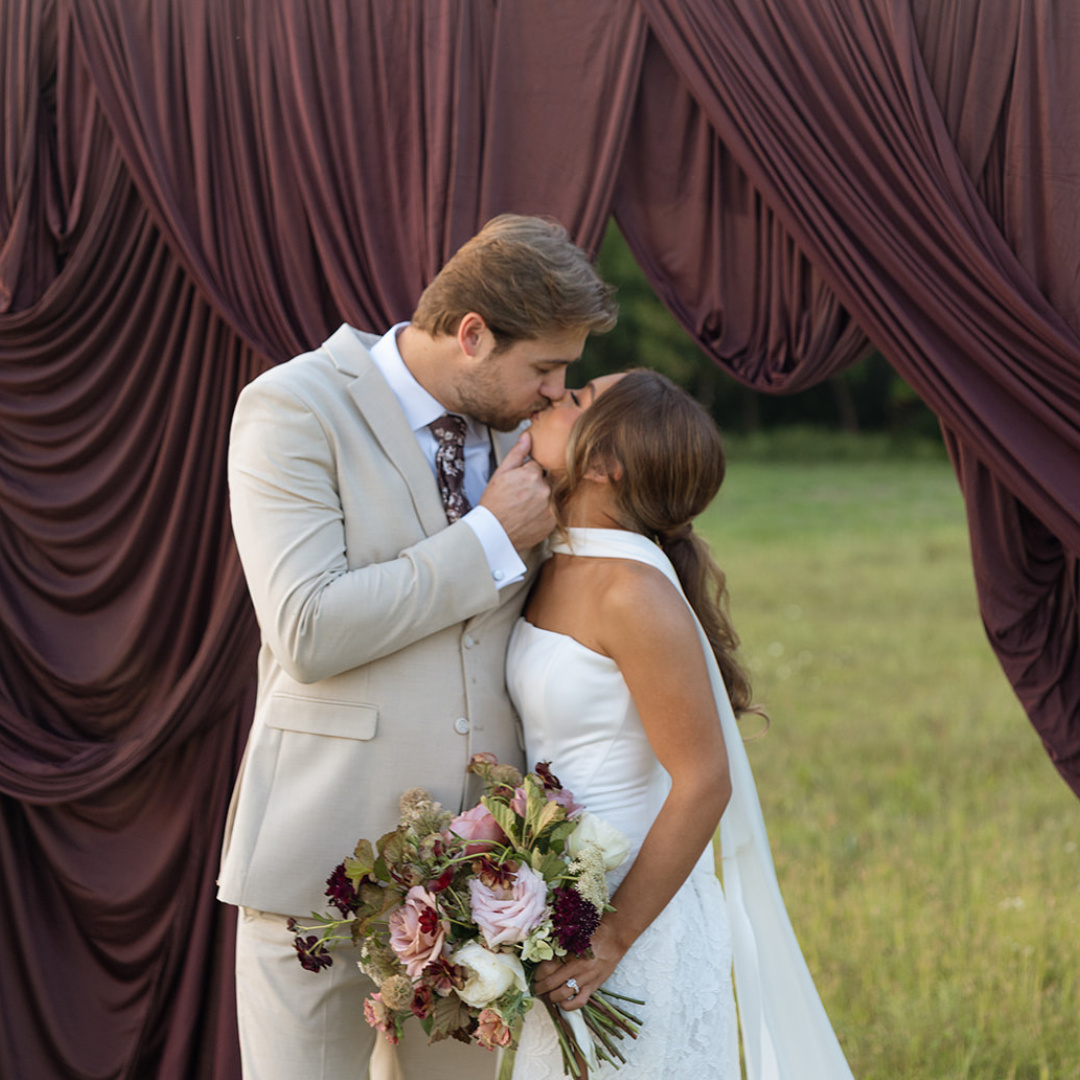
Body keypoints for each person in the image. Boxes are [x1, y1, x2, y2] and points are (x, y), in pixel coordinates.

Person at [216, 214, 617, 1080]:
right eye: (544, 368)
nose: (556, 393)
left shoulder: (525, 434)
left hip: (481, 884)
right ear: (472, 335)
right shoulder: (292, 406)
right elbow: (308, 628)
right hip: (315, 862)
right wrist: (486, 540)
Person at [506, 369, 855, 1079]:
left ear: (605, 465)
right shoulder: (560, 558)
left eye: (573, 400)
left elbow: (703, 781)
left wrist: (611, 939)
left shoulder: (634, 593)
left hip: (634, 919)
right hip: (559, 901)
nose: (551, 396)